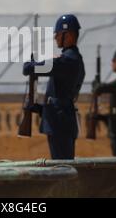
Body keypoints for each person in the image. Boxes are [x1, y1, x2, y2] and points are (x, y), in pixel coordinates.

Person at [23, 14, 85, 159]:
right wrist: (39, 108)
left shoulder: (67, 60)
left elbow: (28, 69)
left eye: (57, 34)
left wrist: (31, 63)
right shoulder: (74, 59)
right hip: (61, 120)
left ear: (67, 35)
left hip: (60, 124)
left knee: (61, 167)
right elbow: (60, 97)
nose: (55, 37)